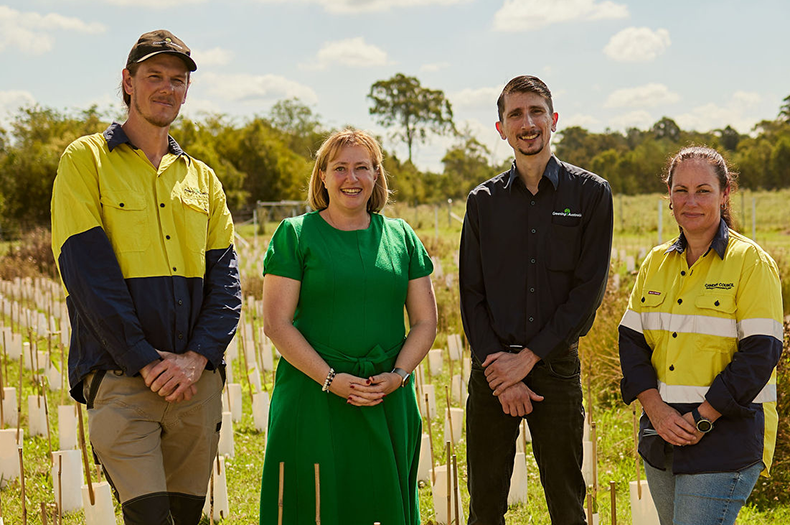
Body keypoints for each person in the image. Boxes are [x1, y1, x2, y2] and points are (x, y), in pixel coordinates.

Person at [51, 30, 241, 525]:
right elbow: (88, 274)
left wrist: (197, 359)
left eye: (177, 80)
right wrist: (144, 359)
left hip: (194, 387)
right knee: (149, 518)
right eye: (154, 76)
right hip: (122, 380)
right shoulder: (84, 160)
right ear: (127, 83)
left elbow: (226, 283)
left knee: (185, 517)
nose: (167, 88)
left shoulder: (203, 180)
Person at [259, 128, 437, 524]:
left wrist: (398, 375)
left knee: (381, 505)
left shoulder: (401, 236)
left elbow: (426, 321)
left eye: (361, 168)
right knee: (314, 504)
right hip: (313, 395)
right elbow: (276, 323)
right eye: (339, 168)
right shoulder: (296, 234)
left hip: (386, 396)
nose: (351, 178)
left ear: (377, 175)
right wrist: (330, 378)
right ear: (322, 175)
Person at [460, 75, 613, 525]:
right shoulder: (482, 202)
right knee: (485, 507)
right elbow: (471, 294)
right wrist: (501, 372)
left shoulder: (590, 194)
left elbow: (587, 295)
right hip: (491, 375)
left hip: (556, 370)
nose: (527, 123)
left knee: (567, 506)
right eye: (515, 115)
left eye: (536, 112)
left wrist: (525, 360)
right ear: (500, 128)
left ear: (553, 119)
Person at [619, 146, 782, 525]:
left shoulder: (750, 263)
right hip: (660, 436)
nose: (690, 201)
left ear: (725, 195)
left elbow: (760, 354)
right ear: (669, 195)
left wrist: (702, 418)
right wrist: (656, 411)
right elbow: (631, 342)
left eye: (703, 190)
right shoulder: (655, 262)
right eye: (681, 190)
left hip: (724, 439)